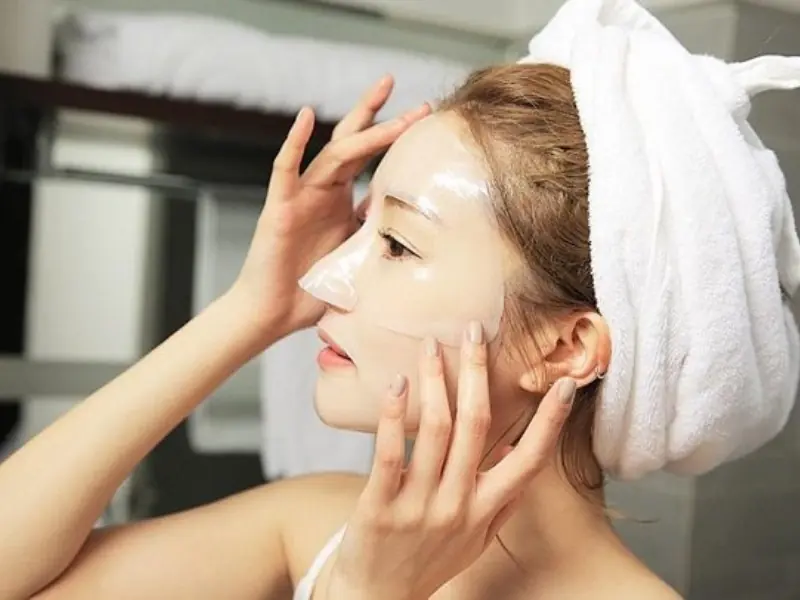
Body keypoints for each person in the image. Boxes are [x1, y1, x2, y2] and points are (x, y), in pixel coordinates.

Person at [3, 0, 800, 598]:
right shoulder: (315, 523)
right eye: (361, 228)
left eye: (397, 244)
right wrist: (250, 309)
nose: (324, 277)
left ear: (565, 346)